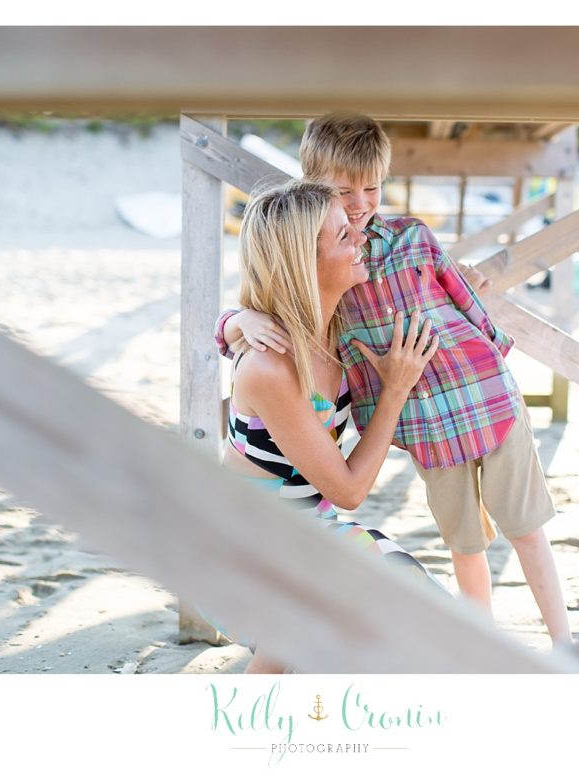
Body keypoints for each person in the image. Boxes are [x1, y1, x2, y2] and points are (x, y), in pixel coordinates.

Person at [216, 113, 572, 645]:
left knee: (479, 564)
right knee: (449, 561)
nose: (360, 213)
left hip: (334, 515)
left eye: (372, 189)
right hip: (264, 543)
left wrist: (491, 352)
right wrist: (236, 321)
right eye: (342, 208)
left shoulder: (348, 302)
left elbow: (460, 297)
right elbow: (349, 486)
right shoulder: (293, 340)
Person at [217, 179, 444, 674]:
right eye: (343, 235)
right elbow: (348, 489)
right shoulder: (270, 366)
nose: (360, 238)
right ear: (304, 262)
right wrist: (395, 391)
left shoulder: (339, 332)